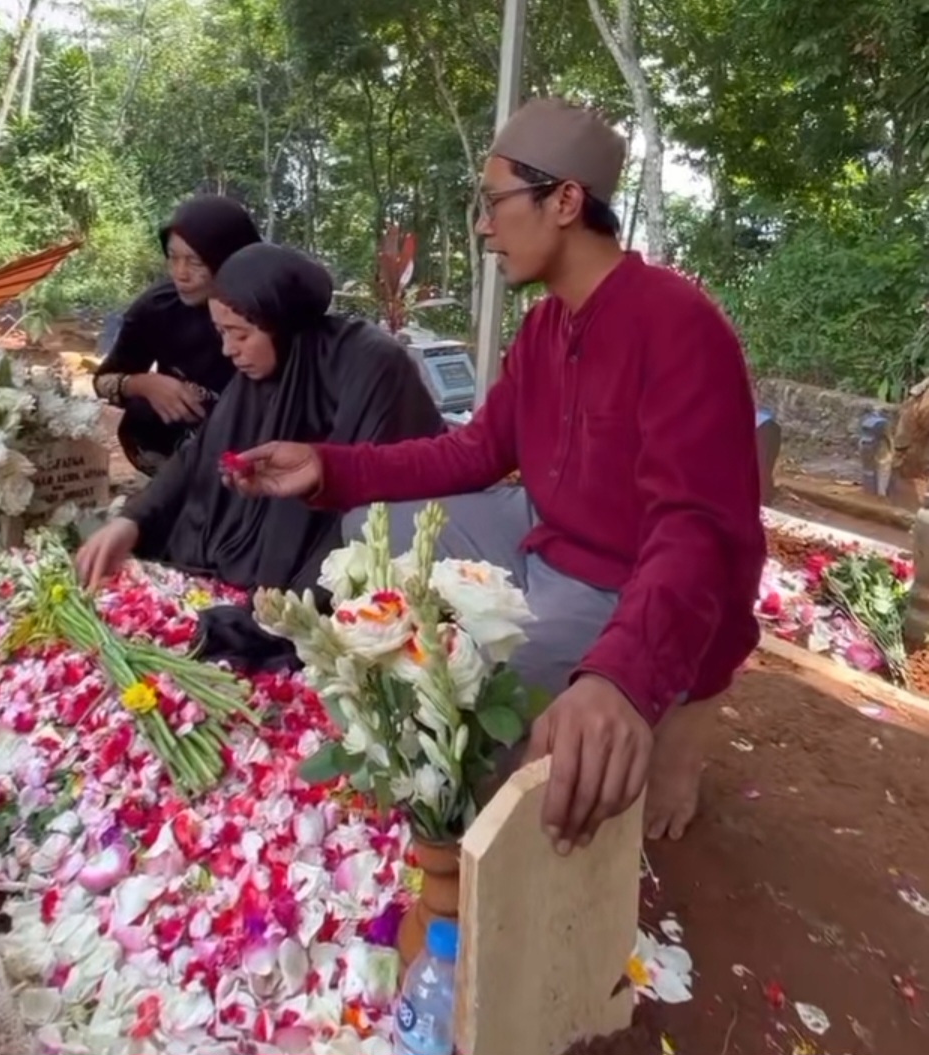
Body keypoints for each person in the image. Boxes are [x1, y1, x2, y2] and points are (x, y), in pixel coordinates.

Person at [220, 98, 767, 851]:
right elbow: (476, 451)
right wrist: (329, 465)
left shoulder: (681, 327)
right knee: (366, 534)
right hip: (536, 525)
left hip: (622, 576)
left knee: (499, 724)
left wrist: (621, 679)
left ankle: (677, 705)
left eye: (494, 202)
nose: (483, 226)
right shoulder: (544, 324)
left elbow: (697, 532)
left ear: (565, 200)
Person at [76, 242, 445, 595]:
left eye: (239, 334)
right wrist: (132, 521)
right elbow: (198, 459)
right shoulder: (262, 371)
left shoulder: (372, 365)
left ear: (281, 324)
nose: (227, 349)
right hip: (242, 570)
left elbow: (371, 511)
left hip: (337, 575)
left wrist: (290, 614)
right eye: (221, 333)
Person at [93, 194, 261, 475]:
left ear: (230, 259)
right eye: (172, 258)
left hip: (258, 453)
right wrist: (143, 384)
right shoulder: (157, 308)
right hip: (177, 449)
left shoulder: (271, 309)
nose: (180, 274)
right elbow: (102, 381)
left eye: (195, 262)